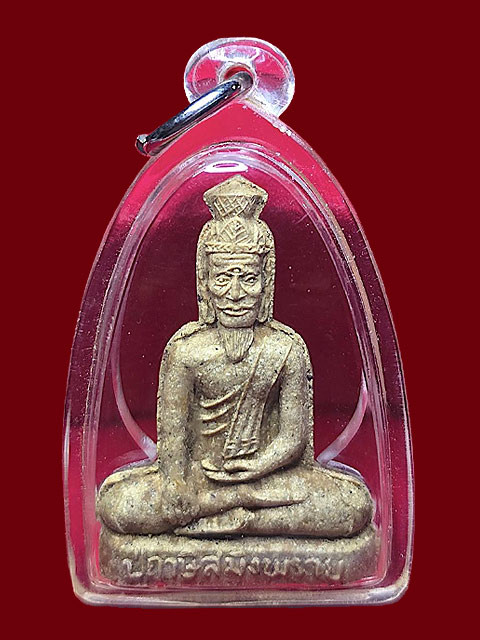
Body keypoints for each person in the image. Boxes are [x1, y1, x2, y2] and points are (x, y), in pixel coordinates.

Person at [97, 175, 373, 539]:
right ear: (205, 282)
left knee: (353, 505)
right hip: (202, 480)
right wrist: (178, 487)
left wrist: (255, 469)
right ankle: (230, 509)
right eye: (223, 278)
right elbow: (174, 447)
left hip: (267, 480)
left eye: (249, 279)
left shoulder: (285, 348)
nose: (236, 293)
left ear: (266, 283)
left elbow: (293, 439)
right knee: (118, 505)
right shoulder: (186, 350)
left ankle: (241, 518)